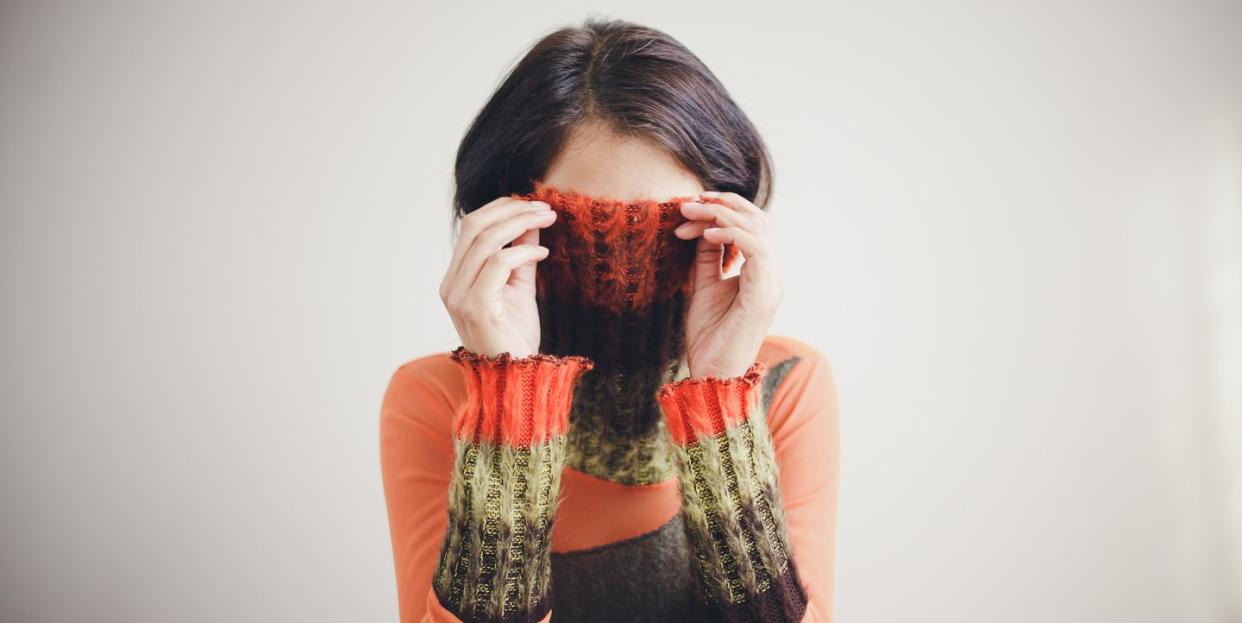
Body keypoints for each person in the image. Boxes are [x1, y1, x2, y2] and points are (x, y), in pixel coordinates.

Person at [379, 17, 840, 623]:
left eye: (664, 230)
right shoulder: (439, 400)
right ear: (506, 222)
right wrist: (510, 399)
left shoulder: (782, 384)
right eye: (589, 232)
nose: (623, 279)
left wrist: (721, 399)